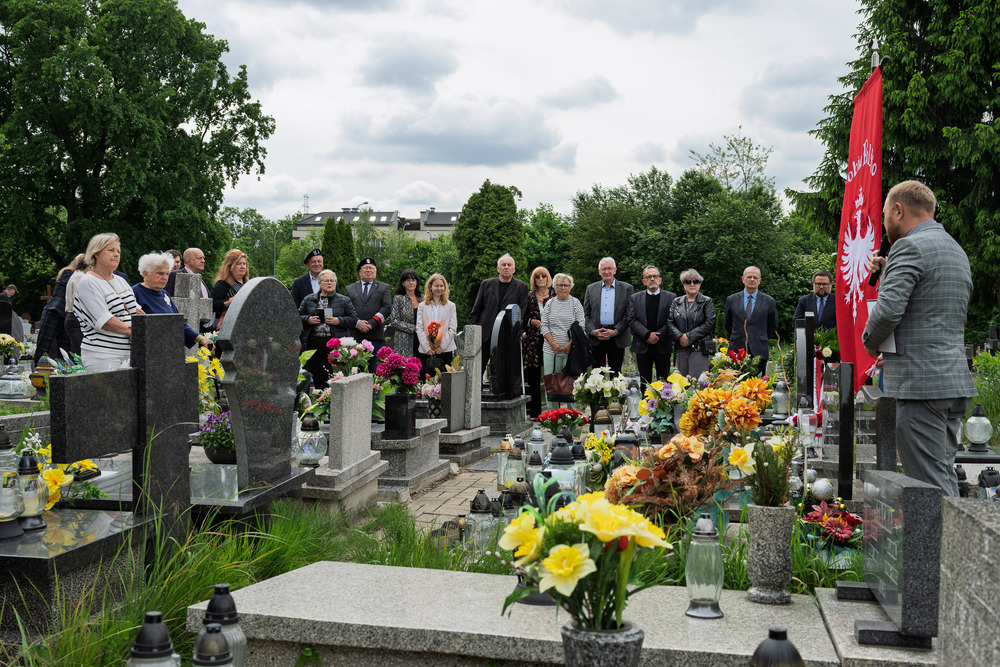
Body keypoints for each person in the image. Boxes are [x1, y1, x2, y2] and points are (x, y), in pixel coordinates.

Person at [862, 180, 976, 497]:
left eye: (885, 214)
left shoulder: (908, 247)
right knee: (942, 475)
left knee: (930, 489)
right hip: (950, 383)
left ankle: (951, 547)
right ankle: (953, 544)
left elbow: (887, 312)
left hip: (920, 387)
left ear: (898, 210)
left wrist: (871, 342)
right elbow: (929, 313)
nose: (885, 224)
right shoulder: (955, 249)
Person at [73, 233, 144, 372]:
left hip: (131, 353)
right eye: (110, 250)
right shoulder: (88, 282)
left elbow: (137, 312)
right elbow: (104, 320)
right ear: (96, 253)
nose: (116, 254)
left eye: (118, 251)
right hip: (103, 355)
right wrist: (132, 331)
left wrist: (141, 330)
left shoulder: (121, 280)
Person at [131, 252, 213, 350]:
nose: (165, 278)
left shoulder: (165, 294)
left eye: (167, 274)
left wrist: (201, 339)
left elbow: (178, 323)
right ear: (145, 273)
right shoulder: (134, 293)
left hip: (168, 349)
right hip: (146, 350)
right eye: (160, 273)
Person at [468, 253, 529, 371]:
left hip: (507, 335)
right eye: (503, 265)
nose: (506, 267)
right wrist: (474, 331)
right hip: (485, 333)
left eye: (509, 265)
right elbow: (476, 309)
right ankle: (476, 390)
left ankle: (501, 390)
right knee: (477, 369)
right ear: (498, 268)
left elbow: (521, 313)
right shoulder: (486, 284)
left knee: (504, 371)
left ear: (514, 269)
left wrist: (519, 332)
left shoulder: (521, 287)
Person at [299, 270, 358, 389]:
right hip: (313, 342)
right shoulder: (308, 299)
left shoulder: (344, 300)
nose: (330, 283)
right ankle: (319, 400)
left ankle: (333, 401)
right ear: (320, 283)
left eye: (332, 281)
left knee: (333, 375)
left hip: (334, 342)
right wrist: (308, 319)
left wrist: (338, 320)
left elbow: (353, 319)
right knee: (316, 374)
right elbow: (296, 317)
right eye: (326, 280)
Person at [541, 273, 585, 410]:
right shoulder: (549, 303)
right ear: (554, 287)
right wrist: (553, 344)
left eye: (566, 285)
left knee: (573, 384)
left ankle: (574, 416)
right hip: (551, 351)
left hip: (571, 351)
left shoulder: (575, 303)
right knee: (551, 383)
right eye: (559, 285)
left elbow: (581, 326)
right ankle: (553, 416)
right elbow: (544, 325)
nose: (563, 288)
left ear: (570, 287)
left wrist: (570, 344)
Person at [583, 257, 634, 374]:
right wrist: (593, 331)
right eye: (603, 269)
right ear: (599, 271)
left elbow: (629, 314)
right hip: (597, 336)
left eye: (609, 268)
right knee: (596, 376)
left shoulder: (627, 288)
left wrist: (616, 331)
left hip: (617, 336)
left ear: (615, 270)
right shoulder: (590, 288)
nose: (606, 271)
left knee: (616, 375)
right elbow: (586, 314)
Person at [628, 265, 676, 389]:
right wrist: (647, 335)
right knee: (644, 383)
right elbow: (632, 320)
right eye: (649, 277)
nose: (652, 279)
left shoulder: (671, 297)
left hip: (663, 345)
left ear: (660, 280)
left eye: (655, 276)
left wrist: (659, 336)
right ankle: (645, 406)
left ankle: (663, 407)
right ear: (644, 282)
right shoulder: (635, 298)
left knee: (664, 382)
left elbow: (672, 319)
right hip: (643, 345)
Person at [724, 266, 777, 376]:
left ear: (759, 281)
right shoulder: (731, 300)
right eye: (749, 277)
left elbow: (772, 326)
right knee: (735, 387)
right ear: (743, 279)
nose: (752, 279)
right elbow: (728, 325)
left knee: (758, 389)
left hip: (759, 350)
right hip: (736, 350)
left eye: (755, 277)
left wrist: (758, 337)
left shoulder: (769, 301)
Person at [33, 255, 84, 366]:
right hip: (54, 312)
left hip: (66, 316)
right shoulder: (68, 273)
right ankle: (37, 373)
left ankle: (62, 375)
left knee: (64, 350)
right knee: (43, 346)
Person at [666, 268, 716, 378]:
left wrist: (689, 337)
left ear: (700, 283)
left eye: (696, 281)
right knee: (682, 386)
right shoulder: (676, 302)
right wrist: (680, 336)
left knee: (697, 385)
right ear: (683, 284)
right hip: (681, 348)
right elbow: (669, 323)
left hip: (699, 349)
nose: (692, 284)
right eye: (688, 281)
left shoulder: (706, 301)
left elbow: (710, 323)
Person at [346, 257, 391, 373]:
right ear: (360, 272)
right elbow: (346, 309)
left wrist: (371, 323)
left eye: (371, 268)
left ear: (375, 271)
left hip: (375, 335)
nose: (368, 270)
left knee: (375, 371)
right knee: (355, 371)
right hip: (355, 335)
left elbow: (386, 308)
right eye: (365, 268)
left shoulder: (384, 287)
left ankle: (375, 391)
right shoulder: (350, 289)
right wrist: (357, 323)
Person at [523, 267, 554, 419]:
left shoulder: (555, 295)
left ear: (548, 278)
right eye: (537, 277)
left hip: (553, 339)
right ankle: (535, 413)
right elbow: (522, 318)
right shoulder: (529, 297)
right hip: (533, 341)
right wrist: (531, 321)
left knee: (552, 375)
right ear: (534, 280)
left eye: (543, 276)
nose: (541, 279)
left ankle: (553, 411)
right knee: (534, 378)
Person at [416, 274, 458, 378]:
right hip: (426, 350)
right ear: (430, 286)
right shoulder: (422, 306)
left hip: (445, 349)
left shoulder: (451, 306)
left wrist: (441, 347)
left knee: (444, 381)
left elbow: (452, 328)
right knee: (426, 381)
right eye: (436, 286)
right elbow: (419, 328)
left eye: (441, 286)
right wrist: (427, 347)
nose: (439, 288)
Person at [211, 250, 249, 327]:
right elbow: (212, 305)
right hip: (226, 327)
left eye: (244, 264)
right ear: (230, 266)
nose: (242, 267)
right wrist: (232, 300)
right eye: (238, 264)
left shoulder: (248, 284)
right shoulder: (222, 284)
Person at [389, 269, 422, 359]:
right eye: (408, 280)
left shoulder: (422, 298)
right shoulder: (398, 299)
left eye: (413, 280)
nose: (411, 283)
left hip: (422, 340)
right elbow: (395, 321)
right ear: (403, 283)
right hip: (404, 341)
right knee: (406, 369)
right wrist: (413, 328)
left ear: (416, 282)